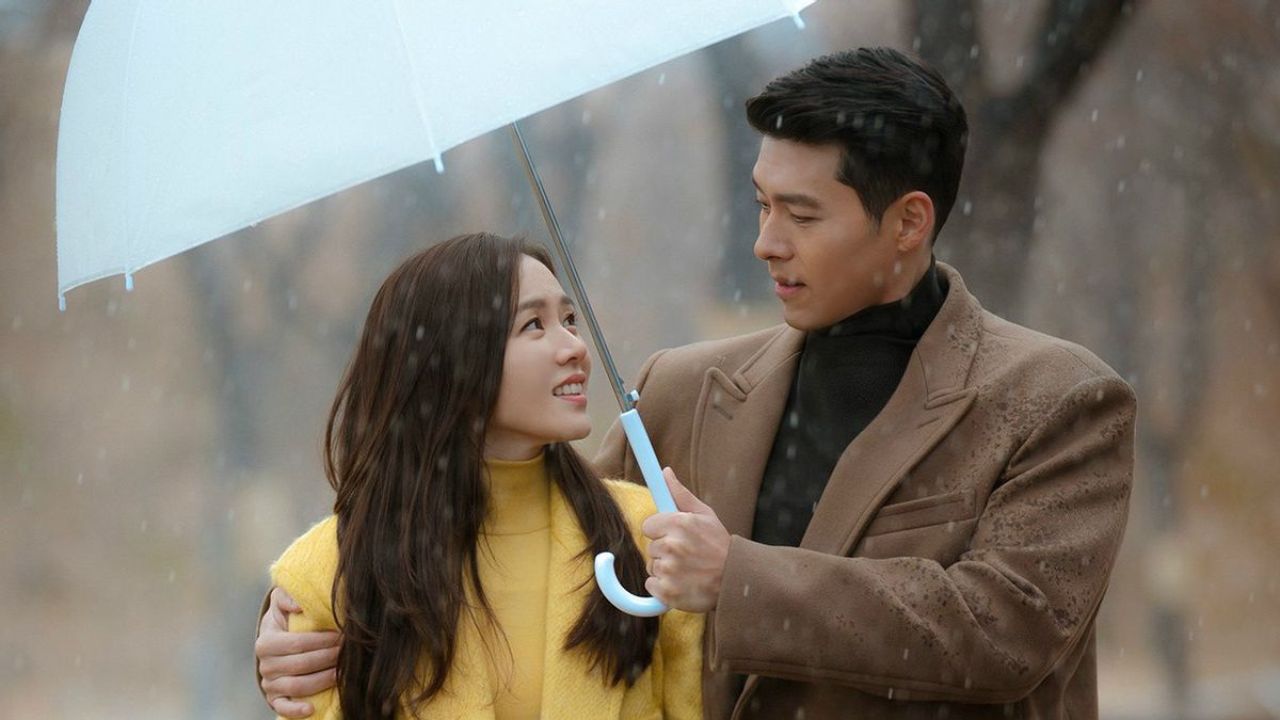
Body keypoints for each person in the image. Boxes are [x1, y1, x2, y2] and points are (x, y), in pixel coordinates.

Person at [259, 48, 1136, 720]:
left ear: (909, 222)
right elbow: (520, 538)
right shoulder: (681, 390)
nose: (765, 242)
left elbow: (1004, 628)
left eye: (801, 214)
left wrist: (737, 580)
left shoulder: (1056, 401)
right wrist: (305, 618)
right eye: (760, 204)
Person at [263, 232, 701, 719]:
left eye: (569, 320)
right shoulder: (331, 571)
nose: (574, 347)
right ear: (450, 359)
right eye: (533, 325)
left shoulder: (649, 533)